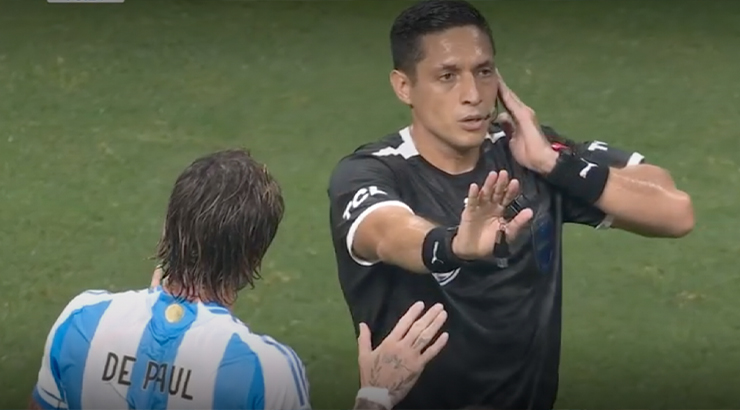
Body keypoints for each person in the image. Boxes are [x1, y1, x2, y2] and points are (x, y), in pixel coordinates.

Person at [326, 1, 695, 409]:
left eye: (484, 72)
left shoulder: (528, 153)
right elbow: (387, 232)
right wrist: (453, 245)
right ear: (404, 86)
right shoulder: (371, 172)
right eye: (447, 76)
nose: (472, 95)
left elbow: (675, 211)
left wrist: (555, 164)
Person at [29, 149, 449, 410]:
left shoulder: (83, 318)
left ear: (167, 229)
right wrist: (376, 395)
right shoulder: (266, 371)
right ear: (253, 258)